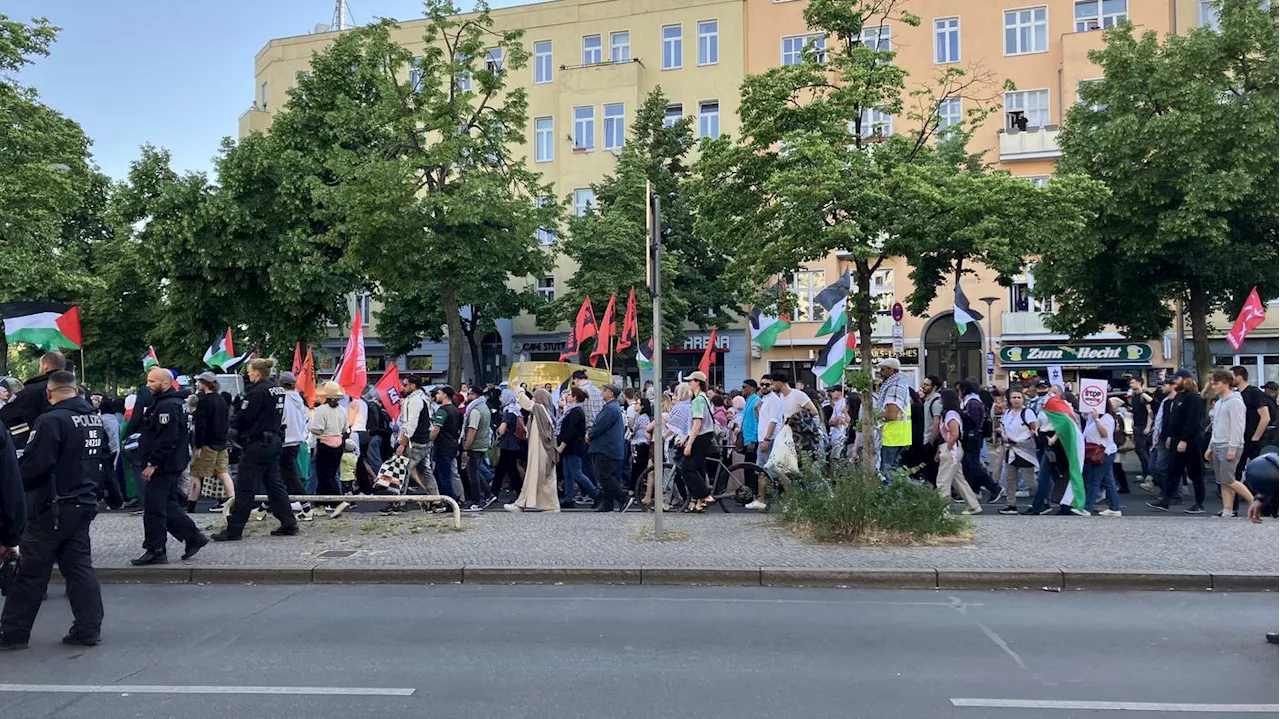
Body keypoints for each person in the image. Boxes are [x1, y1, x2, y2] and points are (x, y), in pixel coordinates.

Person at [0, 372, 106, 650]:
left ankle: (13, 633)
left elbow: (35, 466)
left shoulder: (50, 420)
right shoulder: (93, 417)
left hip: (52, 505)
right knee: (79, 567)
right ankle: (88, 627)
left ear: (50, 393)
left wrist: (15, 485)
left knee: (30, 572)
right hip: (83, 501)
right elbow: (102, 458)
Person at [213, 359, 297, 541]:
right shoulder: (277, 389)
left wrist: (234, 417)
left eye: (250, 371)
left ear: (257, 373)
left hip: (257, 443)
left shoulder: (257, 392)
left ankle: (234, 529)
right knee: (275, 485)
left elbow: (244, 418)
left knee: (245, 487)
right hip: (273, 440)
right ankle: (289, 522)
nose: (248, 375)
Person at [132, 368, 208, 566]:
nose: (147, 385)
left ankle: (156, 549)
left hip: (163, 466)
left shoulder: (167, 406)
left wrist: (153, 464)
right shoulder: (171, 403)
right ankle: (193, 537)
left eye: (151, 381)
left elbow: (167, 439)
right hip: (169, 463)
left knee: (154, 509)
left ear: (165, 384)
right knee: (167, 505)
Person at [1148, 370, 1206, 513]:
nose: (1174, 382)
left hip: (1190, 440)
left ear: (1185, 379)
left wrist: (1184, 440)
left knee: (1195, 472)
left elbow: (1191, 421)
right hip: (1176, 439)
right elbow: (1174, 419)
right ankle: (1166, 500)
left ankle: (1199, 503)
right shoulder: (1179, 396)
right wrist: (1171, 436)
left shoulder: (1193, 397)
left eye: (1177, 379)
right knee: (1173, 471)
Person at [1206, 370, 1254, 517]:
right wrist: (1210, 446)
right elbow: (1216, 426)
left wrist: (1233, 447)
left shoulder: (1235, 402)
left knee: (1228, 478)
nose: (1213, 386)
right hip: (1218, 443)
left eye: (1216, 383)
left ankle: (1255, 502)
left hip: (1229, 444)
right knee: (1222, 480)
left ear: (1226, 383)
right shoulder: (1220, 402)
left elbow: (1238, 427)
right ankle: (1227, 509)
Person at [506, 387, 559, 512]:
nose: (533, 399)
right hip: (547, 450)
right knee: (547, 479)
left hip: (540, 450)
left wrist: (518, 390)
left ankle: (521, 504)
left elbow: (526, 403)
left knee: (533, 476)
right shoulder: (547, 411)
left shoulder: (539, 409)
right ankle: (551, 505)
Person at [0, 351, 66, 451]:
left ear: (45, 366)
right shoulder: (76, 390)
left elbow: (6, 416)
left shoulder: (32, 391)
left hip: (37, 447)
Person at [189, 372, 234, 514]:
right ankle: (232, 500)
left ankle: (191, 505)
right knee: (223, 473)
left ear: (204, 384)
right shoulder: (221, 400)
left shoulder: (203, 401)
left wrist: (199, 445)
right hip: (221, 443)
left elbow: (201, 425)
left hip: (207, 444)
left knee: (196, 475)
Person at [936, 389, 981, 515]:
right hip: (952, 447)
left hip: (951, 448)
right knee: (958, 479)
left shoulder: (950, 414)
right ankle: (974, 505)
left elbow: (954, 433)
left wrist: (948, 448)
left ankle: (942, 510)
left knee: (943, 480)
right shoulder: (951, 413)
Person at [957, 380, 1002, 502]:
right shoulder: (970, 401)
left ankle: (993, 487)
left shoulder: (973, 403)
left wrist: (961, 414)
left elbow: (974, 422)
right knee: (968, 465)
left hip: (973, 437)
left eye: (959, 389)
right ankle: (973, 490)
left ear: (964, 389)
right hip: (970, 437)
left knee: (973, 464)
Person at [996, 388, 1039, 515]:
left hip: (1024, 449)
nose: (1016, 400)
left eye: (1019, 397)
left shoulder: (1027, 412)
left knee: (1029, 479)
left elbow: (1035, 425)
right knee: (1010, 478)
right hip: (1010, 448)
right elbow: (1003, 427)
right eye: (1014, 397)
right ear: (1010, 399)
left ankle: (1042, 500)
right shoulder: (1008, 412)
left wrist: (1034, 432)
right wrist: (1003, 435)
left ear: (1023, 399)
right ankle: (1011, 505)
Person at [308, 382, 349, 512]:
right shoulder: (343, 410)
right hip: (338, 443)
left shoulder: (321, 410)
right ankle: (321, 505)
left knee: (325, 475)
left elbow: (318, 429)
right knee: (329, 473)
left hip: (325, 443)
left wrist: (310, 427)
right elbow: (345, 428)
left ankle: (338, 501)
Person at [278, 372, 313, 521]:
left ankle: (306, 508)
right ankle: (265, 507)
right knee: (280, 476)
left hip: (284, 440)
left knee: (289, 476)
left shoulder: (283, 400)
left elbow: (280, 418)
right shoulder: (299, 400)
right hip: (296, 441)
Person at [588, 383, 628, 512]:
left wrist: (590, 434)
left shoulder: (610, 409)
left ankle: (623, 498)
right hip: (608, 447)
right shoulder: (612, 408)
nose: (602, 392)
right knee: (605, 476)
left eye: (605, 390)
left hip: (606, 448)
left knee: (604, 476)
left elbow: (600, 425)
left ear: (611, 393)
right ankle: (608, 503)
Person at [557, 387, 598, 508]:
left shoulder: (576, 411)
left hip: (573, 446)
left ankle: (596, 494)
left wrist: (562, 445)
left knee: (576, 473)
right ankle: (568, 497)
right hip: (569, 447)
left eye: (569, 395)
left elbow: (571, 430)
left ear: (574, 397)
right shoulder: (570, 410)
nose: (567, 397)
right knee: (567, 473)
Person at [1082, 397, 1122, 517]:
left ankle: (1087, 508)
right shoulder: (1092, 416)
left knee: (1095, 480)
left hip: (1104, 452)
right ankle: (1115, 508)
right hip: (1097, 451)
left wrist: (1096, 420)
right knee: (1108, 481)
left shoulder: (1107, 418)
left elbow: (1104, 434)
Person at [1232, 366, 1271, 485]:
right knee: (1236, 471)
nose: (1229, 380)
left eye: (1231, 377)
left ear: (1239, 377)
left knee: (1260, 471)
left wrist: (1255, 438)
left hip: (1254, 439)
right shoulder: (1236, 395)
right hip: (1241, 438)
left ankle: (1261, 498)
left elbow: (1265, 417)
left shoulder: (1254, 393)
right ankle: (1235, 500)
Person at [874, 358, 912, 479]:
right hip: (901, 435)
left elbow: (891, 415)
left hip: (892, 436)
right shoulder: (902, 384)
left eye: (883, 369)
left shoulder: (894, 387)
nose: (881, 372)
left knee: (887, 473)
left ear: (891, 370)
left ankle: (891, 497)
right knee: (896, 472)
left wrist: (874, 415)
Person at [461, 385, 496, 512]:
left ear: (475, 395)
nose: (467, 396)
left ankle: (477, 501)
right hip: (481, 445)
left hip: (475, 446)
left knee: (472, 475)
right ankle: (488, 494)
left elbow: (472, 430)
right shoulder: (484, 407)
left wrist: (466, 447)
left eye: (469, 394)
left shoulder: (475, 410)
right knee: (476, 472)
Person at [429, 386, 463, 504]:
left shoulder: (442, 410)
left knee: (445, 477)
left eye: (438, 393)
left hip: (442, 447)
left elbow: (436, 429)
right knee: (445, 474)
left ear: (445, 395)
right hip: (452, 445)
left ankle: (449, 502)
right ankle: (454, 498)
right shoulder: (454, 410)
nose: (436, 396)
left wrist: (429, 439)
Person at [491, 389, 525, 499]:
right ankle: (495, 492)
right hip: (515, 443)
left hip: (507, 444)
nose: (500, 399)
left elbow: (502, 429)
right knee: (505, 469)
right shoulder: (516, 410)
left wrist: (498, 431)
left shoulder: (507, 412)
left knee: (509, 470)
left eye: (502, 396)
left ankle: (518, 491)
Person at [1126, 376, 1153, 483]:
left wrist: (1148, 426)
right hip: (1137, 425)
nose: (1130, 385)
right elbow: (1137, 411)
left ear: (1139, 383)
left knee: (1140, 449)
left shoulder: (1144, 396)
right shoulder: (1134, 396)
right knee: (1144, 450)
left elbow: (1150, 412)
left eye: (1132, 383)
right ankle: (1145, 472)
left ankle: (1149, 473)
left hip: (1143, 426)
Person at [628, 396, 653, 503]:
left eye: (637, 403)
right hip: (641, 443)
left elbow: (634, 429)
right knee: (639, 467)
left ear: (642, 406)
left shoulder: (642, 418)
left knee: (637, 467)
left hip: (640, 444)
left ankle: (634, 488)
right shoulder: (642, 416)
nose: (635, 405)